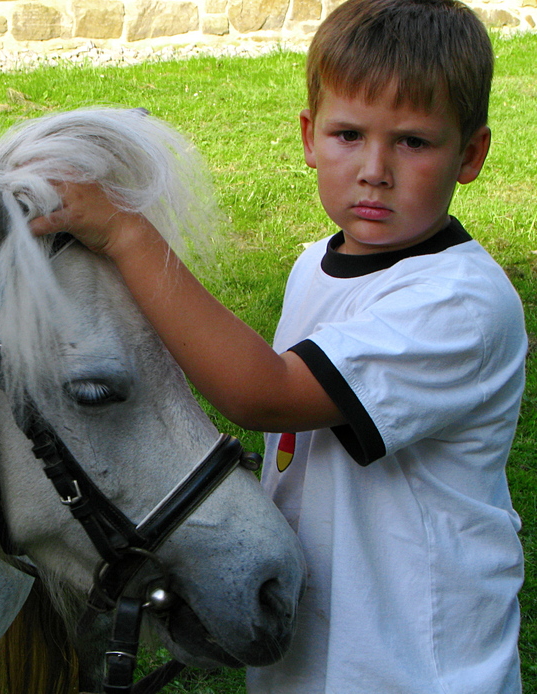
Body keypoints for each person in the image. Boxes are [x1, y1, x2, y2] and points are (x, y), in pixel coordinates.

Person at [30, 0, 527, 690]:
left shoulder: (457, 305)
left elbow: (261, 394)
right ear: (307, 137)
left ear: (469, 155)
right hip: (318, 651)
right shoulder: (313, 264)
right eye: (348, 134)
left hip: (412, 662)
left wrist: (125, 235)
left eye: (412, 141)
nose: (374, 169)